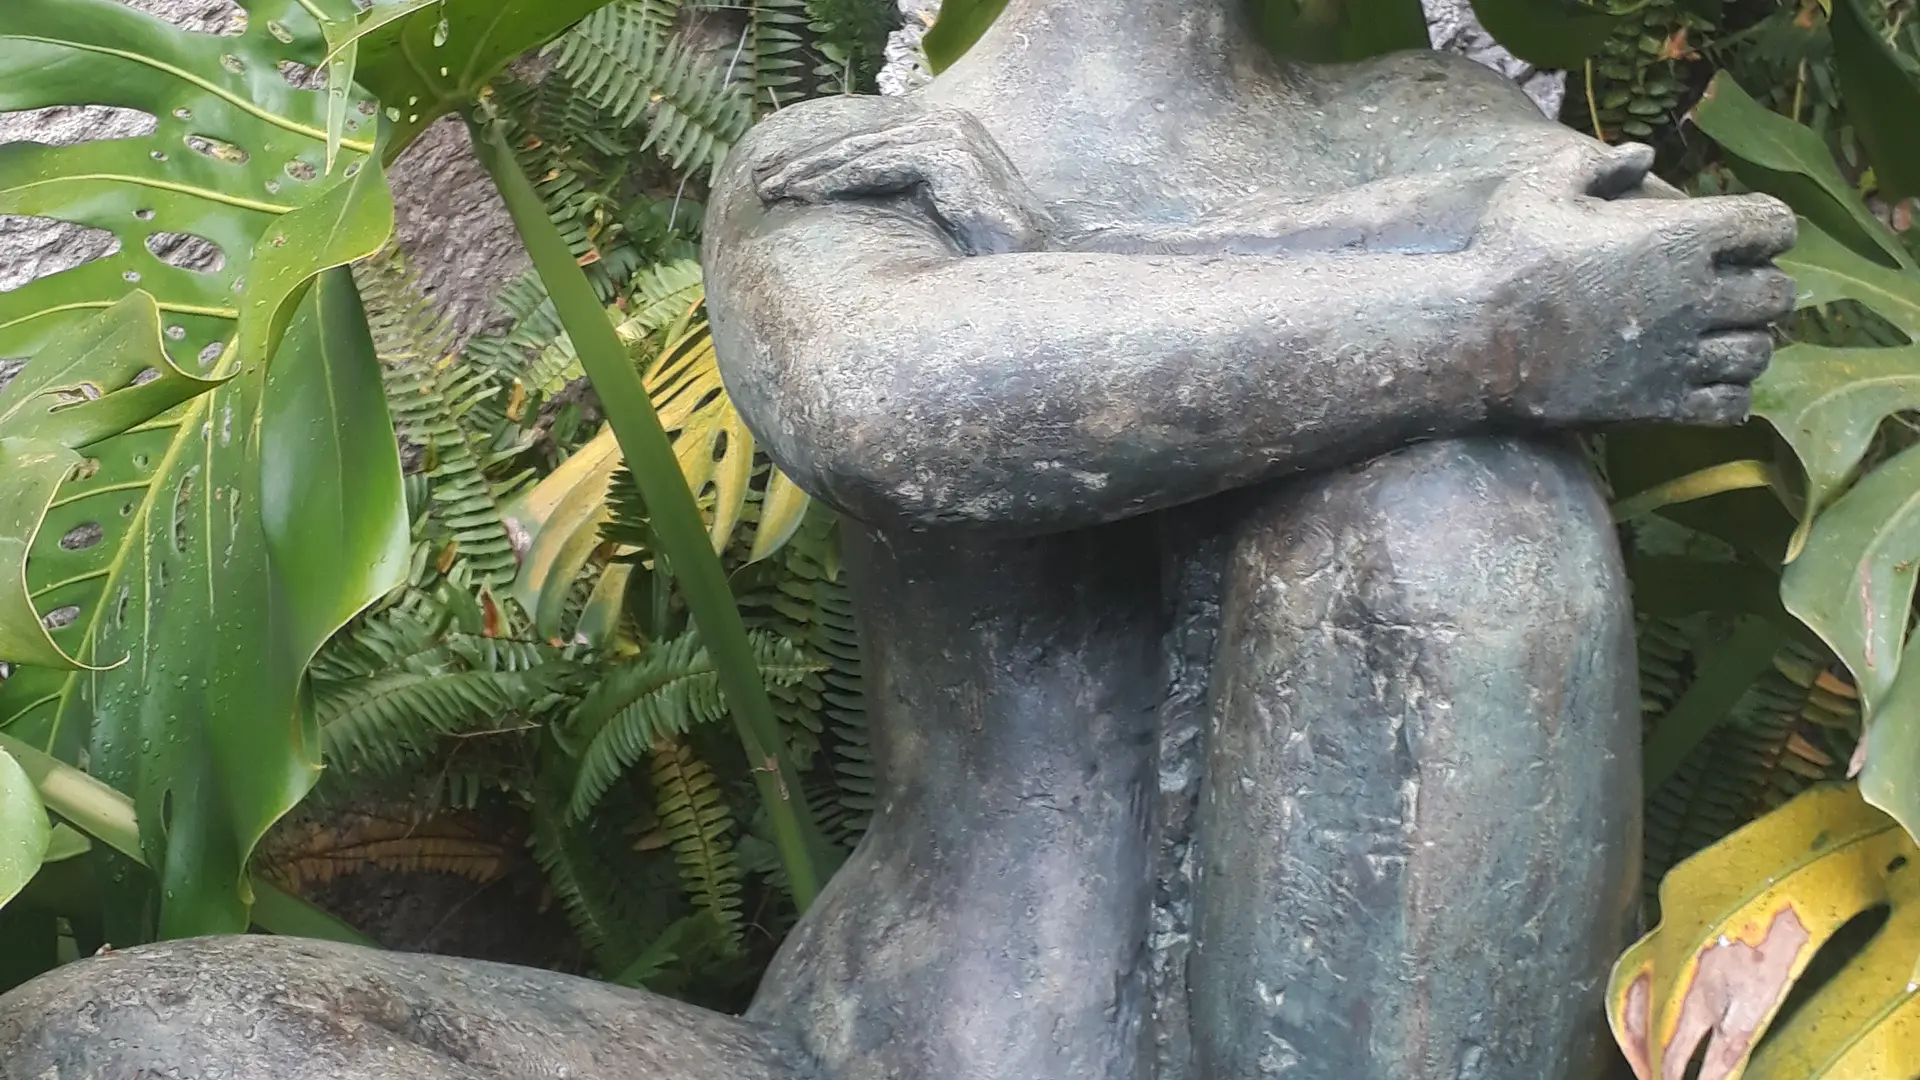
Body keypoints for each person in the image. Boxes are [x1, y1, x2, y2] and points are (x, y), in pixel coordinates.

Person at [0, 2, 1793, 1078]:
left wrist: (1082, 266)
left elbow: (1650, 297)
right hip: (887, 1047)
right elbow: (893, 395)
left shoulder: (1445, 123)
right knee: (126, 1037)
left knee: (1465, 517)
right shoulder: (854, 154)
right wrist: (1487, 318)